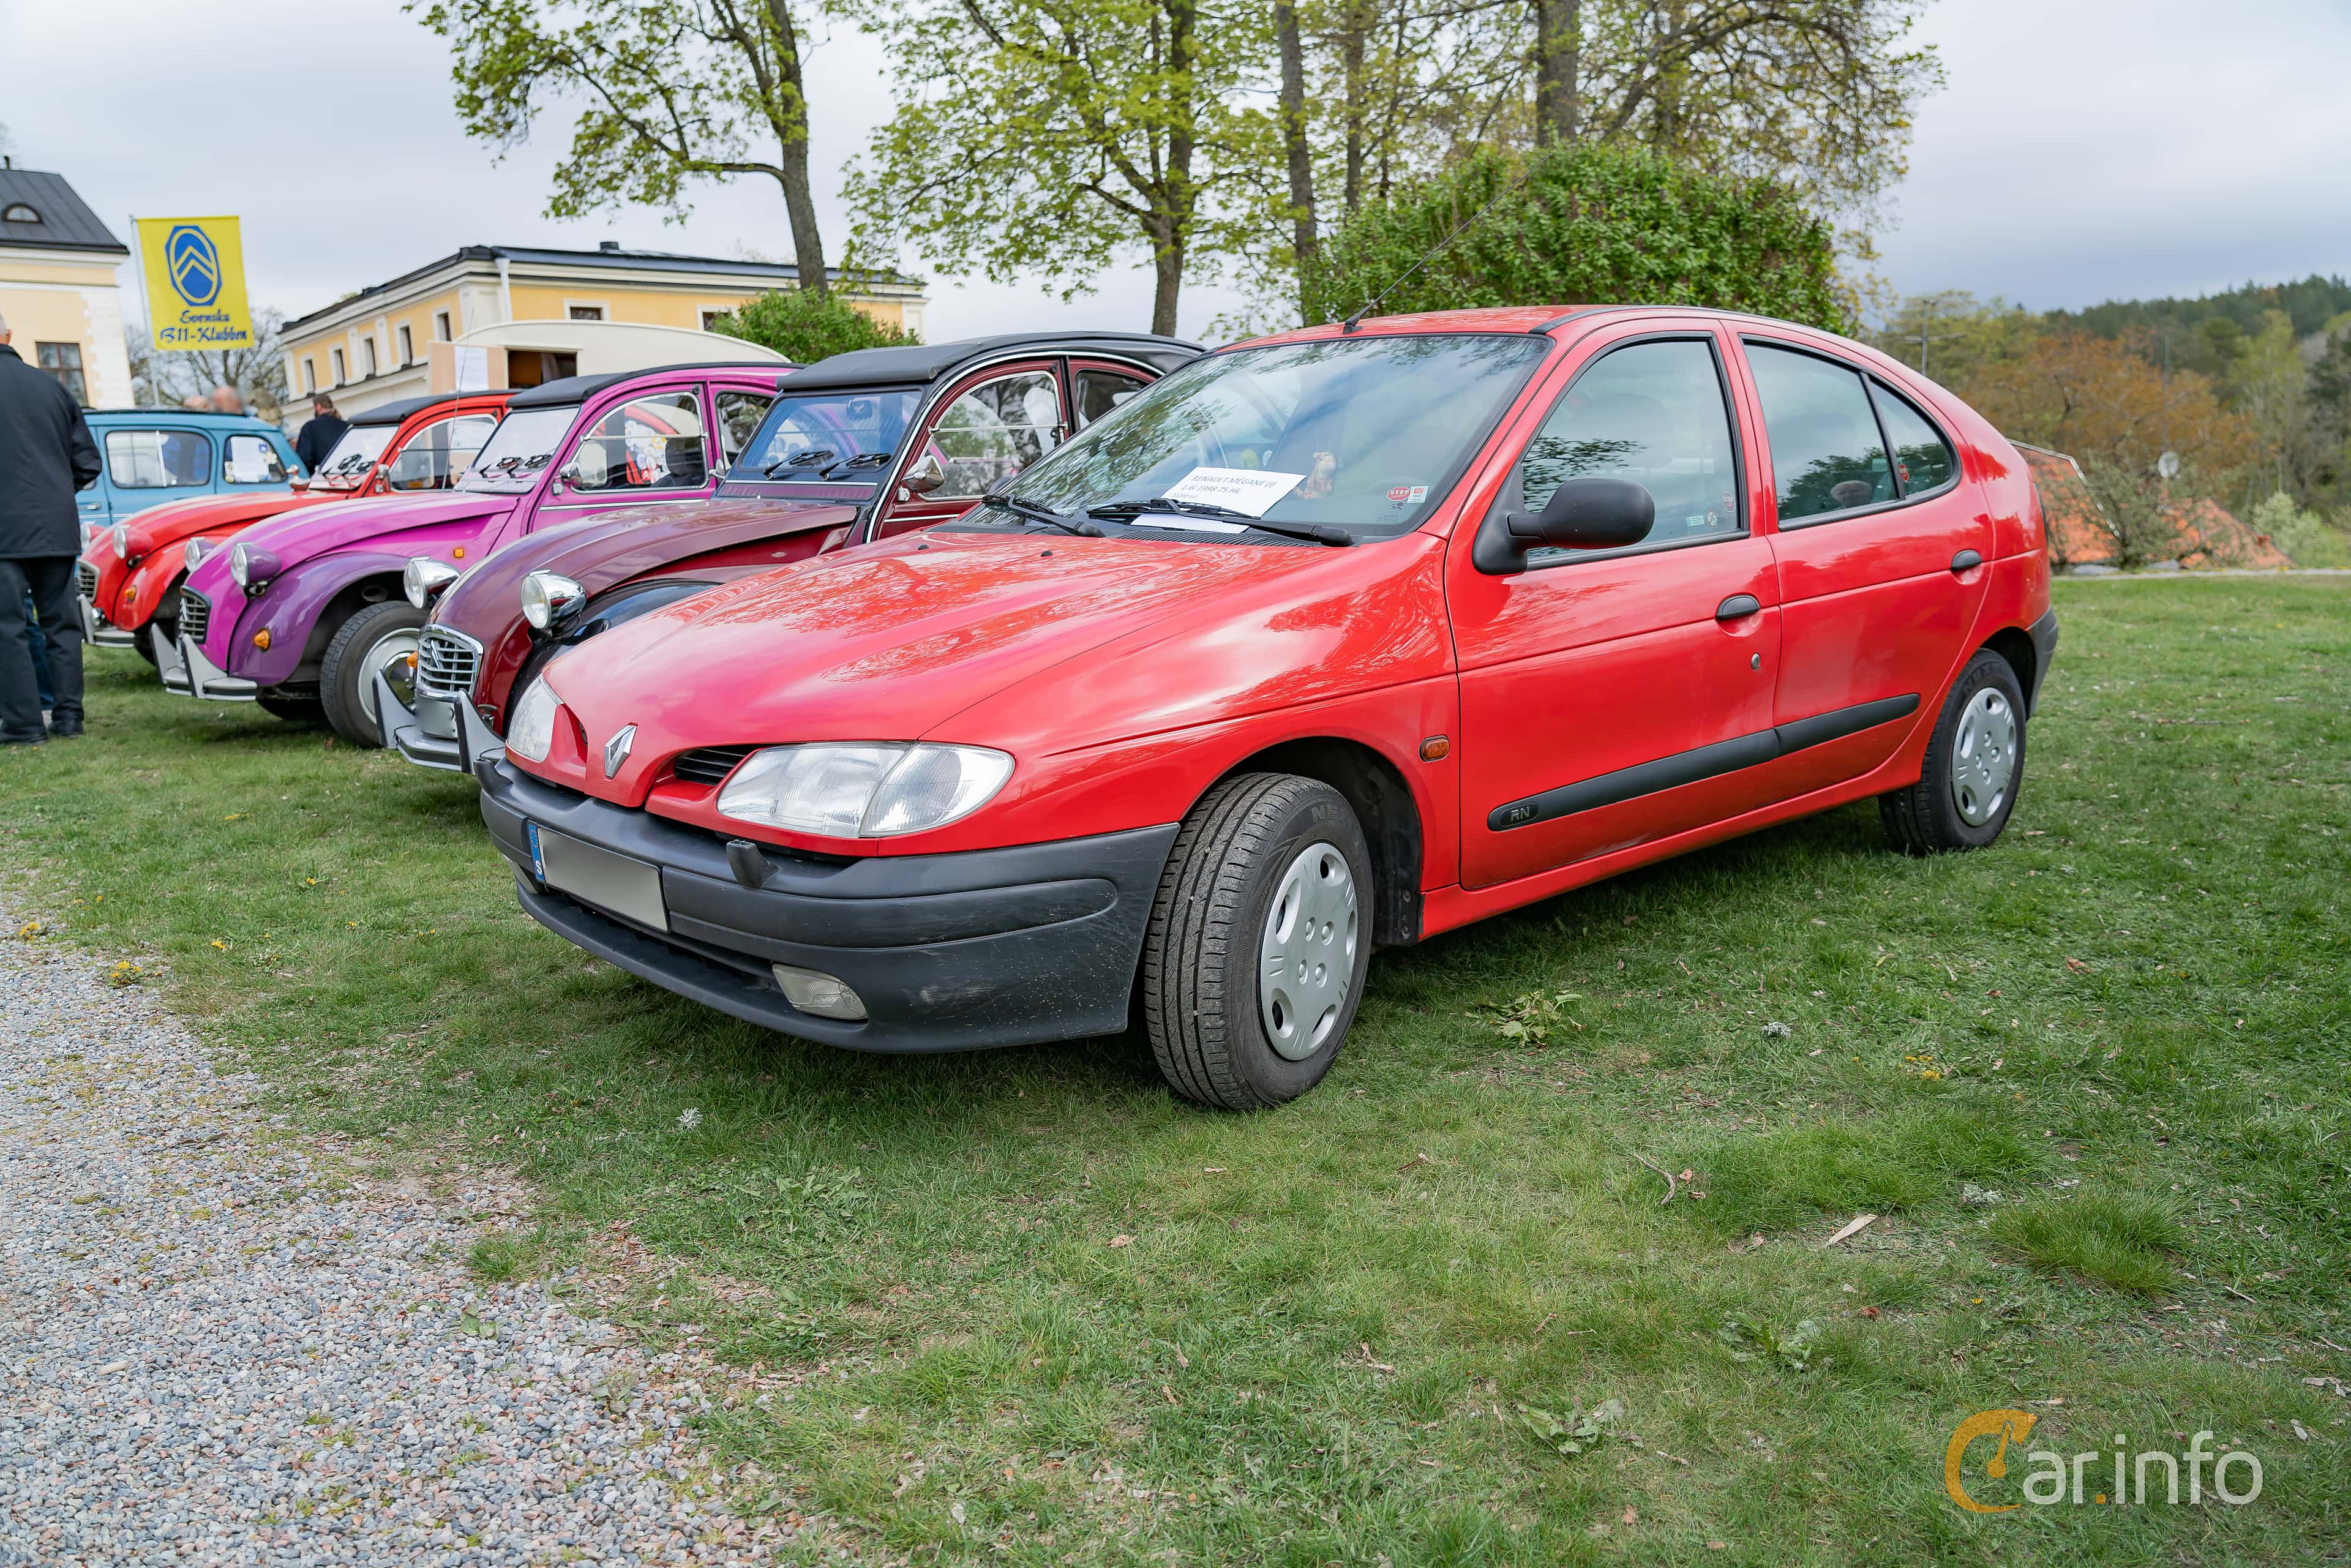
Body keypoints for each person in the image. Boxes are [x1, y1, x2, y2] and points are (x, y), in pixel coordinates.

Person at [0, 308, 100, 742]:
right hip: (56, 527)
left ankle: (24, 725)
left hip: (4, 532)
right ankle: (68, 719)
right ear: (8, 333)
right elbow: (88, 463)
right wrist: (56, 494)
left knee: (8, 627)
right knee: (61, 625)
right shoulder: (53, 388)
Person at [295, 393, 349, 473]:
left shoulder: (309, 427)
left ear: (318, 407)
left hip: (321, 480)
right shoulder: (345, 426)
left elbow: (304, 459)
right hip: (347, 477)